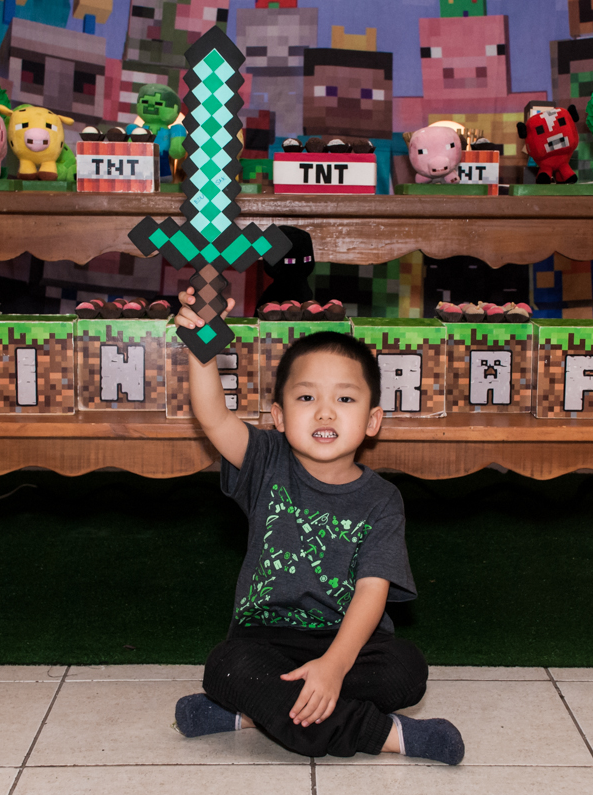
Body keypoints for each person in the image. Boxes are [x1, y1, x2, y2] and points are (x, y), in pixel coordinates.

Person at [170, 289, 464, 765]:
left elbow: (372, 592)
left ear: (372, 420)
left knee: (406, 670)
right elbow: (214, 416)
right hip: (265, 639)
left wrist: (333, 666)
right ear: (279, 417)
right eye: (307, 397)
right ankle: (384, 735)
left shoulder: (382, 500)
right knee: (226, 666)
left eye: (344, 398)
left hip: (349, 642)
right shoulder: (265, 461)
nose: (325, 411)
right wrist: (202, 345)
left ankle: (253, 716)